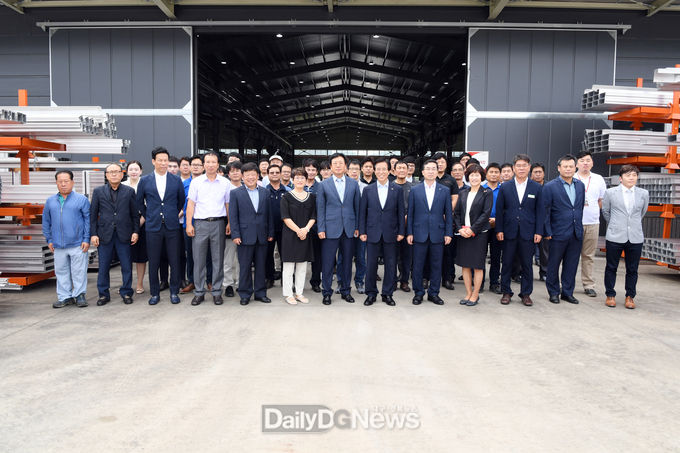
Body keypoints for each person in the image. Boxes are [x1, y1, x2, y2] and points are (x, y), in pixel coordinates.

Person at [136, 146, 186, 305]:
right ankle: (155, 293)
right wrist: (149, 215)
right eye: (160, 160)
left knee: (174, 260)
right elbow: (139, 203)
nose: (164, 163)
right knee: (154, 261)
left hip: (172, 226)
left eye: (166, 160)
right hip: (153, 226)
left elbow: (181, 201)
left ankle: (174, 292)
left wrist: (171, 213)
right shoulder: (145, 180)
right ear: (153, 161)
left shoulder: (176, 180)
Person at [495, 154, 544, 307]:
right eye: (519, 166)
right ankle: (506, 292)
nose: (521, 168)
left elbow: (540, 211)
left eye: (524, 165)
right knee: (507, 262)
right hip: (509, 231)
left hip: (528, 232)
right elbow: (500, 210)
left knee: (527, 265)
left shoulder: (536, 187)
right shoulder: (505, 186)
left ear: (529, 168)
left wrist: (539, 231)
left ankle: (526, 293)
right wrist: (499, 229)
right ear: (514, 168)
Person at [90, 163, 140, 306]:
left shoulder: (129, 191)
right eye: (110, 172)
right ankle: (103, 294)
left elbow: (134, 215)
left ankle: (126, 292)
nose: (113, 174)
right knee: (104, 266)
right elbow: (93, 215)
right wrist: (93, 234)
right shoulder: (98, 191)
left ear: (121, 174)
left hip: (124, 234)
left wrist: (136, 231)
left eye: (116, 172)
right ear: (106, 175)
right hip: (104, 235)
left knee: (126, 265)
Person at [185, 152, 231, 306]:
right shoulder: (196, 182)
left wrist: (229, 223)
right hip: (200, 224)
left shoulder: (225, 183)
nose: (211, 165)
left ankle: (217, 292)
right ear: (204, 164)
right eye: (208, 162)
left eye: (214, 162)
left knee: (218, 259)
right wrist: (189, 224)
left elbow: (227, 205)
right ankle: (199, 292)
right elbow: (191, 204)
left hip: (218, 223)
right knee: (198, 260)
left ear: (218, 165)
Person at [316, 152, 361, 305]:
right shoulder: (323, 185)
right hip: (329, 229)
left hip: (349, 228)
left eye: (341, 163)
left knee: (347, 262)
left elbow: (357, 207)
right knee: (328, 263)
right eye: (335, 163)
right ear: (331, 166)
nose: (338, 165)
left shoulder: (353, 184)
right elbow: (320, 208)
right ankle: (327, 292)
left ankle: (346, 291)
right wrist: (321, 228)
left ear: (345, 166)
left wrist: (357, 227)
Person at [359, 158, 405, 306]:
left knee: (390, 265)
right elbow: (362, 213)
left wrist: (401, 232)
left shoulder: (397, 190)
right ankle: (371, 293)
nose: (381, 172)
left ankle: (387, 294)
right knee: (371, 265)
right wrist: (362, 231)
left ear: (389, 171)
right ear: (374, 171)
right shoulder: (368, 190)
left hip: (391, 233)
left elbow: (400, 212)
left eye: (383, 169)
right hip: (372, 233)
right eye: (377, 169)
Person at [407, 159, 453, 306]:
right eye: (428, 169)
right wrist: (409, 233)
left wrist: (448, 233)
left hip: (438, 234)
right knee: (418, 266)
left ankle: (434, 293)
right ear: (423, 172)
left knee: (436, 265)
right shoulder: (415, 190)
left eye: (434, 168)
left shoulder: (444, 190)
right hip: (419, 233)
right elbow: (411, 213)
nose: (431, 171)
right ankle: (418, 293)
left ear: (437, 171)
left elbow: (449, 214)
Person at [602, 165, 649, 309]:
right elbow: (606, 211)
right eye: (628, 175)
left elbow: (642, 212)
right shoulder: (610, 193)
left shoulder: (643, 193)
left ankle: (630, 296)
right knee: (611, 266)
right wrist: (616, 224)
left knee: (632, 269)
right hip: (615, 235)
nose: (631, 178)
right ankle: (610, 295)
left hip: (635, 236)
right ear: (621, 178)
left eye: (634, 175)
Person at [43, 170, 91, 308]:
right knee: (61, 271)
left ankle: (79, 295)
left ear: (72, 182)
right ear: (56, 183)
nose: (63, 184)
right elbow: (46, 221)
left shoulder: (81, 199)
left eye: (66, 181)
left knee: (79, 270)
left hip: (77, 243)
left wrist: (86, 239)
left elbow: (88, 220)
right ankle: (64, 297)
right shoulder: (50, 201)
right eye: (60, 181)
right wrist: (49, 239)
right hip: (58, 244)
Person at [229, 162, 274, 305]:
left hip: (262, 235)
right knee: (245, 267)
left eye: (253, 175)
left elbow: (269, 215)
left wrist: (270, 232)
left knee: (261, 266)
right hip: (244, 236)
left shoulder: (265, 192)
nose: (250, 177)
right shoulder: (235, 193)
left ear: (258, 175)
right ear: (242, 176)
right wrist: (235, 235)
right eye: (247, 175)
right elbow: (233, 215)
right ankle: (245, 294)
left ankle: (260, 293)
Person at [543, 154, 586, 305]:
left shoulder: (580, 185)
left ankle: (567, 292)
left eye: (571, 166)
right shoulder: (550, 186)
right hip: (556, 232)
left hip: (575, 232)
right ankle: (554, 292)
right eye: (565, 166)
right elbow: (545, 212)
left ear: (576, 168)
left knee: (571, 264)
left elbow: (578, 208)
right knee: (553, 264)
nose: (568, 169)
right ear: (559, 168)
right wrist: (547, 232)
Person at [454, 164, 493, 307]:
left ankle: (475, 295)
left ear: (481, 177)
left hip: (479, 235)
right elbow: (457, 213)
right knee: (465, 265)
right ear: (468, 177)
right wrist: (460, 229)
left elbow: (485, 214)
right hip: (463, 234)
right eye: (471, 175)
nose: (474, 177)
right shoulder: (463, 193)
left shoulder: (486, 193)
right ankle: (468, 293)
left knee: (477, 266)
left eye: (477, 175)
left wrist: (473, 229)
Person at [280, 168, 317, 305]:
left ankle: (299, 293)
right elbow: (285, 217)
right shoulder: (286, 197)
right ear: (292, 180)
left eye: (302, 178)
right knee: (289, 266)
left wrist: (306, 230)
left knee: (302, 266)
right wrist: (298, 231)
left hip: (305, 234)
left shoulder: (312, 197)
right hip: (290, 235)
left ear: (306, 180)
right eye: (297, 178)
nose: (300, 180)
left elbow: (314, 216)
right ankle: (288, 294)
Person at [574, 151, 607, 297]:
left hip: (592, 222)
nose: (585, 163)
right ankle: (567, 284)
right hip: (574, 223)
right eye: (582, 160)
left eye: (588, 160)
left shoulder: (598, 179)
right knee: (571, 255)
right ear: (577, 164)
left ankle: (588, 284)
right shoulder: (572, 177)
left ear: (592, 163)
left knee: (588, 256)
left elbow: (601, 201)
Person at [180, 155, 206, 294]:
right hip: (188, 224)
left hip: (206, 224)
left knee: (207, 254)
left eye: (198, 164)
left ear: (203, 167)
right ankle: (192, 281)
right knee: (190, 254)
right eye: (193, 164)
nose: (195, 166)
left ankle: (208, 280)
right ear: (189, 167)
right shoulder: (183, 185)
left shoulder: (208, 182)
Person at [433, 152, 459, 290]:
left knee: (448, 252)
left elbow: (455, 198)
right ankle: (428, 278)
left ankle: (447, 279)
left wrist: (447, 212)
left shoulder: (451, 180)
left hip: (447, 220)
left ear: (446, 164)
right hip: (433, 221)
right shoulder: (430, 178)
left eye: (442, 162)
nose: (440, 164)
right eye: (437, 162)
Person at [122, 161, 147, 294]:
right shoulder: (122, 185)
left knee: (140, 257)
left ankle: (139, 283)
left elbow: (147, 208)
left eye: (136, 169)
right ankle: (126, 284)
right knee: (125, 256)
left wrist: (137, 226)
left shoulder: (145, 184)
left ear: (141, 171)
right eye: (131, 169)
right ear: (127, 171)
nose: (133, 172)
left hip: (142, 223)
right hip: (125, 226)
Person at [343, 159, 367, 294]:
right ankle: (341, 282)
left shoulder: (366, 188)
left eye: (356, 169)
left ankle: (359, 281)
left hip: (361, 228)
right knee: (343, 257)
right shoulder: (342, 186)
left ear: (360, 171)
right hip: (345, 228)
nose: (354, 172)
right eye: (351, 169)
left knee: (361, 257)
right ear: (347, 170)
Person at [265, 164, 290, 288]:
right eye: (272, 172)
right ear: (267, 174)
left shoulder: (287, 191)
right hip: (268, 229)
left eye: (276, 172)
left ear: (280, 174)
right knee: (268, 254)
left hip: (285, 228)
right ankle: (269, 278)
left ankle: (285, 280)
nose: (274, 174)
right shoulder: (263, 191)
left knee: (284, 254)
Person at [223, 161, 243, 298]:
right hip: (228, 227)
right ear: (228, 173)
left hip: (245, 228)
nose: (235, 173)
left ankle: (241, 284)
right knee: (228, 258)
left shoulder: (247, 186)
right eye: (232, 170)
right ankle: (228, 284)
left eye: (238, 170)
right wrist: (229, 223)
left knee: (242, 259)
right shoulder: (224, 187)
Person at [482, 162, 502, 294]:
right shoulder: (480, 188)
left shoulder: (504, 189)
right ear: (486, 173)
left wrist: (497, 220)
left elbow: (507, 209)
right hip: (482, 226)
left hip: (498, 226)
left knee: (496, 256)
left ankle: (494, 283)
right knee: (480, 256)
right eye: (491, 172)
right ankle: (479, 281)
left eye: (496, 172)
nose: (494, 175)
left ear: (500, 175)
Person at [303, 158, 322, 292]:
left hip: (316, 226)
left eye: (313, 170)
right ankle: (297, 283)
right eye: (308, 169)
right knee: (299, 256)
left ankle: (315, 282)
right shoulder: (297, 184)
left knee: (317, 257)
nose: (310, 172)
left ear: (317, 172)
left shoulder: (321, 187)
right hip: (299, 227)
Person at [394, 160, 413, 292]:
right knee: (392, 256)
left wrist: (407, 218)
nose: (401, 170)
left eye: (404, 168)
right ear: (394, 171)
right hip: (393, 227)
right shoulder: (389, 186)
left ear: (407, 171)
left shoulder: (414, 187)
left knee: (407, 256)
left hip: (409, 227)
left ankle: (404, 281)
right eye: (399, 168)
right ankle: (393, 280)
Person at [530, 163, 549, 282]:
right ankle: (522, 272)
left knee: (545, 251)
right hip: (530, 223)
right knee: (527, 250)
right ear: (531, 174)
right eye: (535, 172)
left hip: (545, 223)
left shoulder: (549, 187)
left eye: (540, 172)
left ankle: (544, 272)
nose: (537, 174)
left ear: (544, 173)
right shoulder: (528, 186)